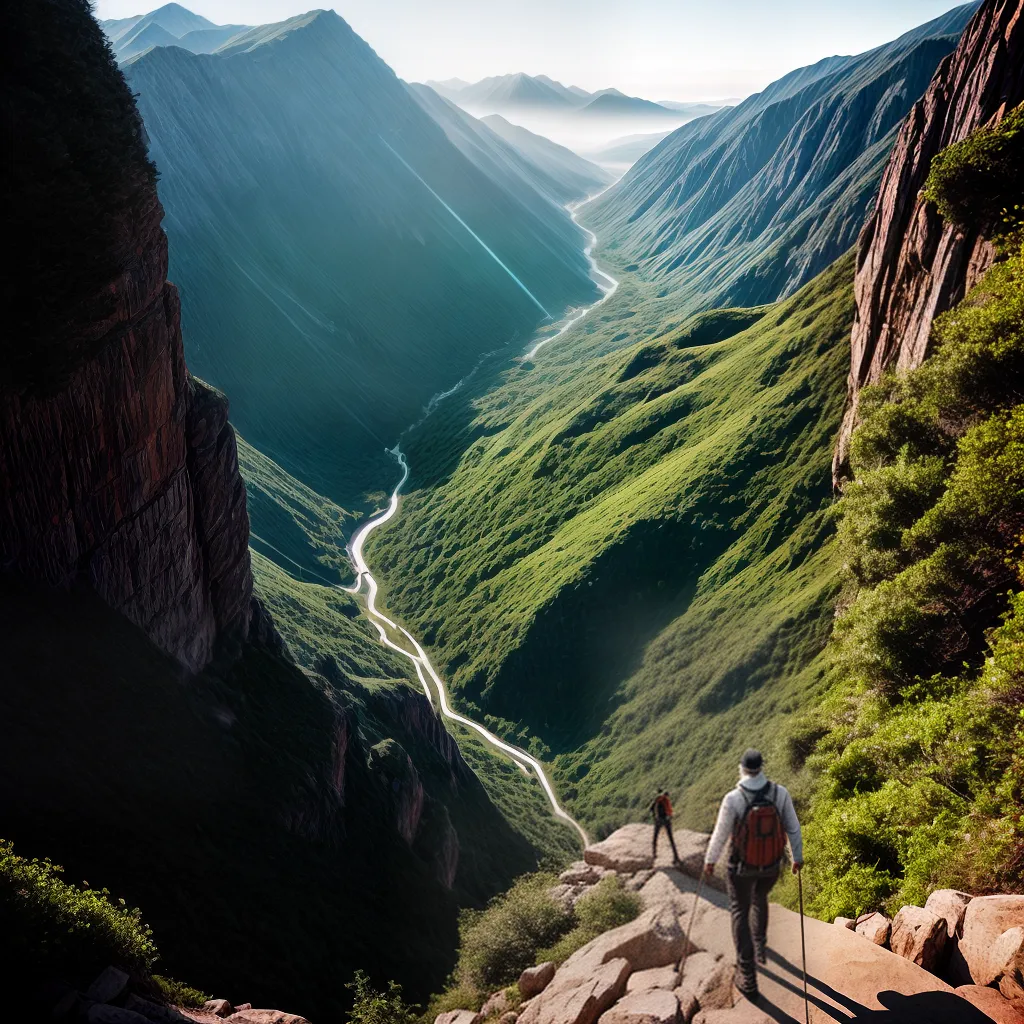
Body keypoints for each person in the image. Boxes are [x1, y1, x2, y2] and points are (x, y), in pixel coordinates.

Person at [703, 748, 803, 1001]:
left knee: (739, 910)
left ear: (742, 768)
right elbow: (793, 828)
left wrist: (709, 861)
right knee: (760, 900)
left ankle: (747, 973)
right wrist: (797, 858)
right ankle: (760, 946)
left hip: (741, 868)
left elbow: (721, 834)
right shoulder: (779, 793)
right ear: (762, 767)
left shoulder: (734, 799)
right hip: (771, 866)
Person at [648, 788, 680, 863]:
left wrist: (654, 818)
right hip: (667, 820)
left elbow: (651, 809)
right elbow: (669, 810)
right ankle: (676, 857)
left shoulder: (656, 801)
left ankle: (654, 854)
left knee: (655, 837)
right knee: (671, 839)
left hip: (658, 821)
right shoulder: (665, 800)